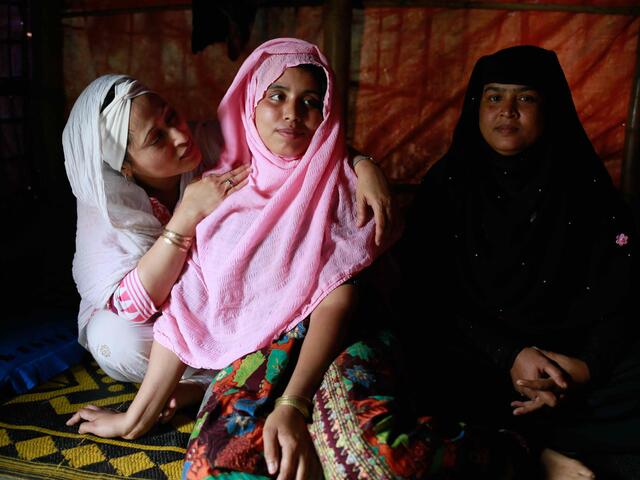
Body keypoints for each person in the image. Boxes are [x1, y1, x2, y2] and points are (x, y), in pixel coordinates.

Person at [61, 71, 394, 415]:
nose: (179, 136)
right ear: (126, 167)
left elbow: (296, 142)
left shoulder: (211, 139)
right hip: (164, 314)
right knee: (115, 339)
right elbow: (133, 308)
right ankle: (219, 376)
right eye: (157, 138)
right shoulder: (107, 207)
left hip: (225, 291)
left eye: (172, 116)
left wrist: (363, 164)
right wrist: (187, 215)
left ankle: (228, 375)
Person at [396, 45, 640, 479]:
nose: (507, 111)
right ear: (476, 106)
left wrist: (581, 368)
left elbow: (622, 293)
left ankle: (537, 444)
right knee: (419, 363)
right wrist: (510, 355)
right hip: (481, 361)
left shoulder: (585, 188)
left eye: (525, 98)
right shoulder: (448, 185)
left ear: (550, 108)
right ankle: (549, 447)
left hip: (568, 361)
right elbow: (426, 293)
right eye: (494, 97)